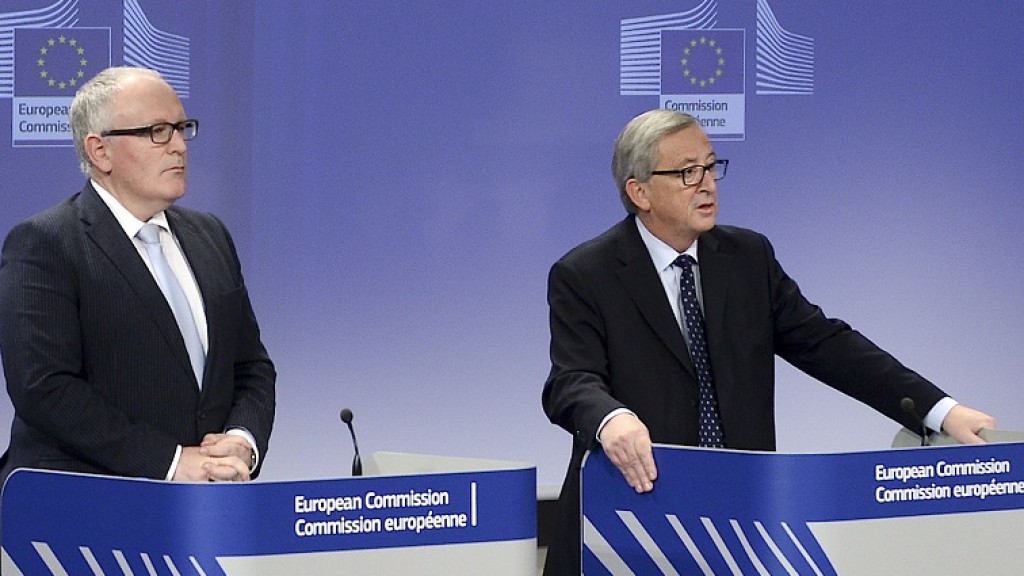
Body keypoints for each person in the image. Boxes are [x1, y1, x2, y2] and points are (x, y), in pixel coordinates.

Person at [540, 109, 995, 575]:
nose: (708, 184)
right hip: (630, 521)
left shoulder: (747, 258)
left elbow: (826, 344)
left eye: (711, 166)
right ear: (639, 193)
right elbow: (570, 382)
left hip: (740, 520)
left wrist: (937, 408)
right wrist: (610, 419)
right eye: (686, 172)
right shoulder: (585, 274)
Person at [0, 67, 275, 485]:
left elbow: (251, 366)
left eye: (182, 128)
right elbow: (45, 388)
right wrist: (170, 462)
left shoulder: (211, 235)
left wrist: (240, 440)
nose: (179, 146)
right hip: (81, 511)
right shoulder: (46, 242)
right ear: (100, 151)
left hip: (204, 510)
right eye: (157, 131)